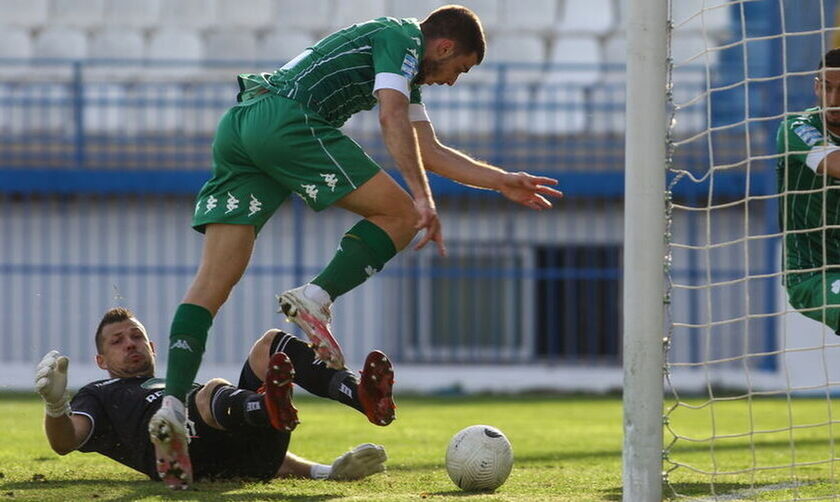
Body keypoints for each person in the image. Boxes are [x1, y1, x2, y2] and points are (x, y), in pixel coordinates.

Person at [152, 4, 563, 488]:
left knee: (212, 284)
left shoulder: (403, 62)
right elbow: (391, 118)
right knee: (402, 215)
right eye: (460, 69)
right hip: (286, 121)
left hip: (241, 126)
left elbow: (427, 148)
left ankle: (173, 406)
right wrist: (422, 199)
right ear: (445, 47)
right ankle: (316, 297)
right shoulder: (402, 39)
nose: (453, 80)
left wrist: (500, 181)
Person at [35, 307, 394, 486]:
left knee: (271, 344)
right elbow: (66, 442)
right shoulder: (99, 392)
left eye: (137, 336)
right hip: (186, 464)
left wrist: (327, 472)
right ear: (101, 361)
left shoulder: (174, 383)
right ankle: (265, 405)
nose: (130, 343)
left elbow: (260, 458)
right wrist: (55, 405)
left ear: (153, 347)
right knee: (210, 394)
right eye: (117, 341)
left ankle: (357, 391)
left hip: (243, 453)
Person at [778, 47, 840, 334]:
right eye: (826, 88)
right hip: (811, 273)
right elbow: (834, 163)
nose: (833, 100)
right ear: (816, 86)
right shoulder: (797, 128)